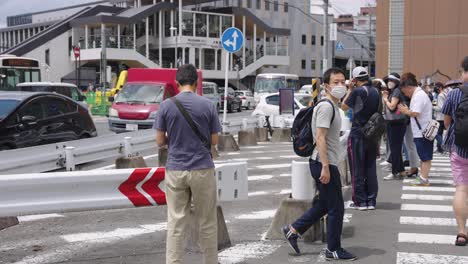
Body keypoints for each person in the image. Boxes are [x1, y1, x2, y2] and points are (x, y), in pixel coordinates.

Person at [282, 68, 357, 261]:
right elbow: (320, 137)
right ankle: (333, 249)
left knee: (325, 204)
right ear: (326, 86)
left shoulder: (334, 105)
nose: (340, 85)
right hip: (323, 162)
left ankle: (293, 230)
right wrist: (325, 166)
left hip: (325, 161)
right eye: (336, 82)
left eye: (343, 82)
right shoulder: (326, 107)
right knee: (336, 208)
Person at [154, 64, 221, 264]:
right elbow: (215, 141)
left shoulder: (166, 105)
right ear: (196, 83)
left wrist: (173, 140)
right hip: (202, 169)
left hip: (175, 169)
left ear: (177, 84)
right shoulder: (208, 105)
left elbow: (159, 141)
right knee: (207, 221)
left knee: (175, 222)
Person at [342, 66, 380, 210]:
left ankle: (360, 201)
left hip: (358, 133)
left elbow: (344, 106)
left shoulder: (357, 91)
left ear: (355, 79)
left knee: (357, 169)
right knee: (370, 169)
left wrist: (350, 89)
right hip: (372, 134)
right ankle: (371, 201)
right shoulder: (376, 91)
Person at [442, 56, 468, 246]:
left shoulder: (453, 94)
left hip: (459, 147)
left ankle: (461, 232)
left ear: (463, 71)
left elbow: (446, 122)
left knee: (461, 189)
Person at [398, 72, 434, 186]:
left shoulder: (418, 95)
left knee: (425, 157)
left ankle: (424, 179)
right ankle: (422, 178)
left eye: (404, 91)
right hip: (422, 130)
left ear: (408, 87)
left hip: (422, 131)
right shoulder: (419, 94)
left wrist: (405, 111)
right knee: (424, 156)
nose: (405, 94)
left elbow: (415, 113)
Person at [382, 73, 408, 180]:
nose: (389, 82)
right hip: (396, 122)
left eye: (392, 80)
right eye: (388, 80)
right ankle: (401, 171)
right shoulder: (394, 91)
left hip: (396, 123)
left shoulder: (396, 91)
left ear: (397, 82)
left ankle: (394, 172)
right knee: (396, 148)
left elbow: (392, 107)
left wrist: (385, 99)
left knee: (395, 148)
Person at [434, 82, 449, 153]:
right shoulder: (445, 94)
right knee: (440, 133)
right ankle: (439, 148)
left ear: (440, 87)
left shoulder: (440, 95)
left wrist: (432, 106)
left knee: (437, 134)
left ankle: (444, 146)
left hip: (440, 117)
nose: (435, 88)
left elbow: (440, 107)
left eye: (436, 86)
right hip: (445, 116)